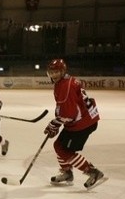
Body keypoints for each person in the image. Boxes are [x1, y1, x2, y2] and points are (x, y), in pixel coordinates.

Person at [44, 59, 107, 189]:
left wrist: (55, 123)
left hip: (83, 123)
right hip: (81, 119)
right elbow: (66, 110)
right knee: (58, 146)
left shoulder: (65, 86)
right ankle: (67, 172)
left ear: (63, 72)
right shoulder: (64, 82)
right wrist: (56, 122)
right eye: (51, 72)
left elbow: (69, 114)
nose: (53, 75)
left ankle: (94, 172)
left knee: (65, 151)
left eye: (56, 72)